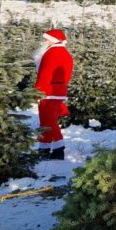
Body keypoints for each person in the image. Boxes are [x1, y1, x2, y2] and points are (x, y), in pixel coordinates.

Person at [34, 28, 74, 161]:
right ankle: (44, 148)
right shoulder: (63, 53)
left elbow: (45, 74)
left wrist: (37, 91)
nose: (43, 41)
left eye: (46, 39)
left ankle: (58, 148)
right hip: (56, 91)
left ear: (53, 40)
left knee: (48, 121)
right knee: (46, 121)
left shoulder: (52, 53)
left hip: (49, 92)